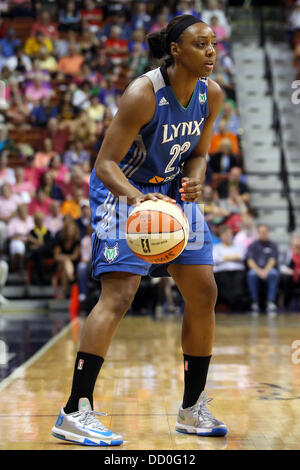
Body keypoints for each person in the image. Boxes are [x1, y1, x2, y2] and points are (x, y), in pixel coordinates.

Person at [51, 15, 227, 446]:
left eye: (213, 44)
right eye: (200, 44)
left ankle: (192, 409)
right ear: (175, 50)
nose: (210, 52)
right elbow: (105, 165)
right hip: (122, 191)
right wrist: (139, 199)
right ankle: (75, 409)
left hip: (170, 193)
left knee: (204, 291)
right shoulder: (142, 94)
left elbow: (198, 153)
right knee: (120, 294)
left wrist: (196, 177)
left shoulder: (212, 94)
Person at [246, 224, 280, 316]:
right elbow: (250, 260)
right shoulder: (253, 245)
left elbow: (273, 260)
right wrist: (258, 271)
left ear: (268, 233)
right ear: (258, 233)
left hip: (268, 269)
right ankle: (255, 301)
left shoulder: (273, 245)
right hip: (256, 269)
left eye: (265, 232)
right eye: (261, 232)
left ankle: (270, 301)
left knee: (274, 274)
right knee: (251, 274)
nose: (263, 234)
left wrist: (265, 271)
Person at [213, 225, 246, 311]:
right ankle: (226, 304)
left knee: (238, 284)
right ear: (221, 236)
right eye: (225, 235)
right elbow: (216, 259)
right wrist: (233, 257)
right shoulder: (216, 247)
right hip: (221, 271)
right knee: (224, 282)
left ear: (232, 235)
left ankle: (237, 305)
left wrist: (225, 257)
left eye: (229, 234)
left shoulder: (238, 246)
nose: (227, 237)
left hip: (237, 271)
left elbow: (241, 256)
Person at [280, 233, 300, 311]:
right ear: (291, 242)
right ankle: (286, 303)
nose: (297, 243)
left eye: (298, 241)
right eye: (295, 241)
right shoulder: (286, 251)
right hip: (289, 274)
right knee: (285, 279)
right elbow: (280, 264)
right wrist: (287, 270)